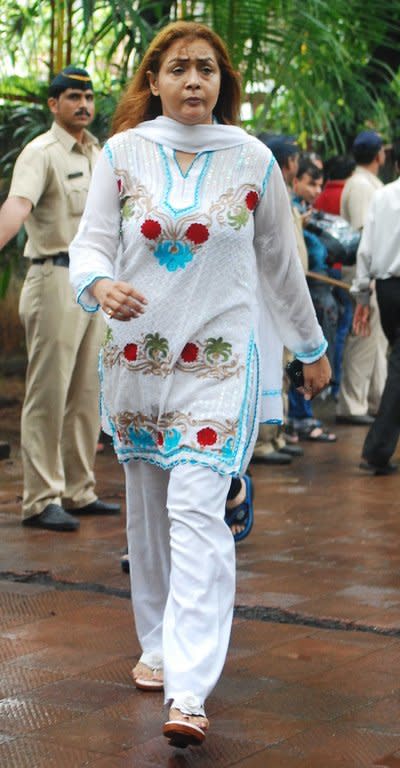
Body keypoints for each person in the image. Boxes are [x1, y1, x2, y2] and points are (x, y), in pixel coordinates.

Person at [69, 21, 331, 748]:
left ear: (223, 83)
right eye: (179, 68)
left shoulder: (252, 161)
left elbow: (282, 262)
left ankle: (189, 688)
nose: (193, 80)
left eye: (207, 69)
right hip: (137, 363)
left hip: (219, 365)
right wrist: (98, 282)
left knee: (195, 510)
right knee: (148, 514)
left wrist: (311, 346)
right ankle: (155, 644)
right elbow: (90, 241)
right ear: (152, 80)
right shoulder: (122, 153)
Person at [0, 66, 120, 531]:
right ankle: (40, 498)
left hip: (97, 288)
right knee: (48, 394)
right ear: (53, 104)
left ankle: (78, 489)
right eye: (73, 97)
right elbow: (18, 205)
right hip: (54, 280)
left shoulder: (100, 153)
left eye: (89, 97)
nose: (84, 105)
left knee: (87, 393)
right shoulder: (41, 152)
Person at [351, 140, 400, 474]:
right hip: (387, 284)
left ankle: (379, 449)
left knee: (397, 357)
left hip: (387, 288)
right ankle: (377, 449)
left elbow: (365, 250)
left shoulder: (383, 196)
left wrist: (362, 297)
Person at [337, 130, 388, 426]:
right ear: (379, 155)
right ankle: (352, 404)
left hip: (371, 271)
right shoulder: (360, 185)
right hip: (362, 271)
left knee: (375, 341)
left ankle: (375, 398)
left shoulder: (367, 184)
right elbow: (362, 235)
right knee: (362, 336)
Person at [287, 158, 337, 442]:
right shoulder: (286, 207)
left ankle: (301, 415)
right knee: (298, 358)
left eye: (320, 184)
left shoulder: (303, 212)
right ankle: (299, 417)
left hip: (313, 293)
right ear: (294, 180)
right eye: (311, 183)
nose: (317, 190)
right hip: (302, 294)